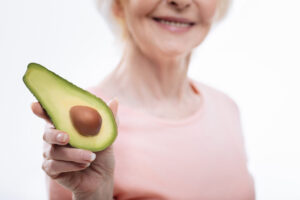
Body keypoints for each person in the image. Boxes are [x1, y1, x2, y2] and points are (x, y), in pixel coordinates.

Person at [31, 0, 255, 199]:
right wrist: (93, 195)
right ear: (118, 4)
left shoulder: (226, 108)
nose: (181, 2)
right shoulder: (84, 127)